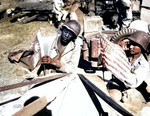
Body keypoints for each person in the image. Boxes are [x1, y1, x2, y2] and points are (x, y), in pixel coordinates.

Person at [8, 20, 82, 75]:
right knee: (31, 62)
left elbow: (72, 68)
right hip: (44, 61)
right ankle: (19, 55)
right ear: (62, 30)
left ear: (73, 38)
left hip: (61, 70)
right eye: (66, 31)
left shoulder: (75, 46)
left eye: (70, 34)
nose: (66, 35)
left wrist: (55, 63)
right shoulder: (53, 38)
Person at [107, 31, 150, 102]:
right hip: (117, 82)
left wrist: (121, 71)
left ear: (142, 48)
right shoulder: (123, 54)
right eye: (131, 44)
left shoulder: (143, 65)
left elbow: (133, 83)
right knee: (115, 97)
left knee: (126, 100)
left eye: (135, 45)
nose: (131, 47)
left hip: (132, 87)